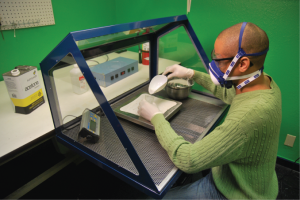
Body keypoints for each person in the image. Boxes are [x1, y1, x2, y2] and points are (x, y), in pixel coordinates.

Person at [138, 22, 282, 200]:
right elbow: (230, 94)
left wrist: (156, 117)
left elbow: (189, 160)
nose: (214, 64)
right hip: (252, 181)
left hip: (236, 193)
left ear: (243, 64)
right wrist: (191, 73)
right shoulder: (265, 83)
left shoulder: (249, 115)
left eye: (219, 60)